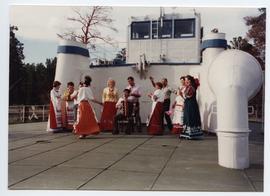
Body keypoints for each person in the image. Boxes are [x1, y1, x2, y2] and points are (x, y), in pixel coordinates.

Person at [180, 75, 203, 139]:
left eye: (187, 80)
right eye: (185, 80)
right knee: (187, 116)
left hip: (191, 104)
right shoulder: (188, 87)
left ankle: (191, 133)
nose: (186, 81)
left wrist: (181, 94)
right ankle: (187, 133)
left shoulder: (191, 87)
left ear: (190, 80)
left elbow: (188, 96)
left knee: (190, 116)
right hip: (188, 103)